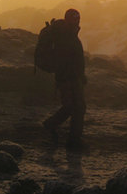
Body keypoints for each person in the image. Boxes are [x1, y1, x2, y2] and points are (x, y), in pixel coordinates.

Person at [42, 8, 87, 149]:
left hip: (72, 77)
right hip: (67, 78)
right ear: (68, 19)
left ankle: (53, 126)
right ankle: (72, 140)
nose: (77, 21)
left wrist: (81, 75)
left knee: (75, 107)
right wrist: (69, 76)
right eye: (75, 18)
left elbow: (76, 59)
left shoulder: (70, 34)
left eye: (78, 18)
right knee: (75, 107)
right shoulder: (65, 36)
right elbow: (65, 59)